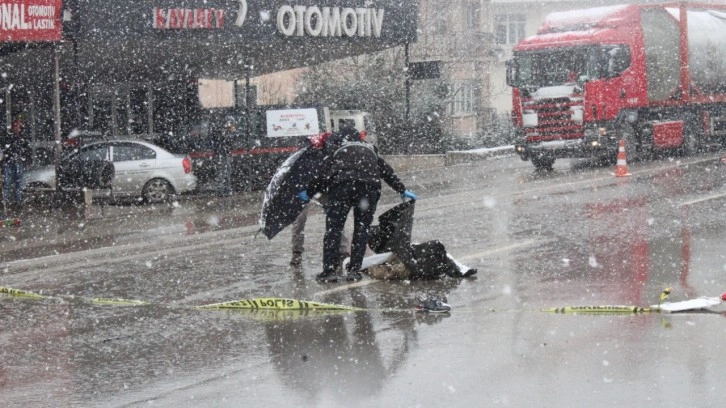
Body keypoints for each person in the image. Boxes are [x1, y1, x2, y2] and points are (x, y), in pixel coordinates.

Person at [298, 125, 417, 283]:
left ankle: (329, 271)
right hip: (369, 189)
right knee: (361, 230)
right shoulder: (369, 149)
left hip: (341, 188)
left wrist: (309, 192)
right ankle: (354, 271)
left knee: (334, 230)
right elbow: (387, 172)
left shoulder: (337, 149)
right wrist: (402, 189)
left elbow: (322, 175)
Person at [1, 115, 31, 213]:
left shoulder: (23, 138)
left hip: (19, 162)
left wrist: (27, 160)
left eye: (19, 126)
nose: (18, 128)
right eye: (17, 126)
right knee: (7, 184)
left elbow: (27, 150)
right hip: (9, 162)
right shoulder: (8, 137)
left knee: (19, 184)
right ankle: (4, 203)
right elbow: (4, 150)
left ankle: (18, 202)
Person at [212, 116, 234, 197]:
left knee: (227, 172)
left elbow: (230, 142)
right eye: (231, 123)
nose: (232, 125)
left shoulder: (226, 130)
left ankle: (227, 190)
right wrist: (228, 133)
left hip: (225, 154)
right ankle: (221, 191)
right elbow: (223, 140)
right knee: (222, 173)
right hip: (221, 154)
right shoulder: (221, 130)